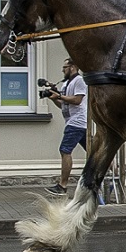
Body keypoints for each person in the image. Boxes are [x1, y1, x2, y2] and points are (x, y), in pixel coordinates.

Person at [46, 58, 88, 195]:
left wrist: (60, 96)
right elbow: (64, 105)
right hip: (74, 122)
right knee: (94, 152)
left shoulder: (79, 81)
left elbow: (77, 100)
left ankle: (62, 185)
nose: (62, 70)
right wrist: (54, 99)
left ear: (73, 67)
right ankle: (116, 171)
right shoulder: (66, 84)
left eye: (65, 67)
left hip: (77, 122)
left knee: (65, 150)